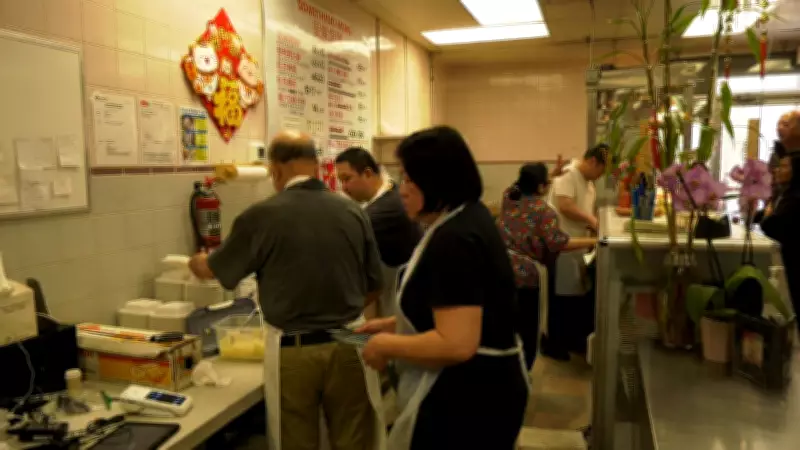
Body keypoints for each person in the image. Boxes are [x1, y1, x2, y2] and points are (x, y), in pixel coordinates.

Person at [188, 131, 386, 450]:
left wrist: (195, 261)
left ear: (277, 169)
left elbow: (213, 270)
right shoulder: (353, 211)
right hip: (351, 340)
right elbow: (375, 286)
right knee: (355, 440)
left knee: (295, 442)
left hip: (293, 347)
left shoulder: (261, 216)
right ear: (316, 165)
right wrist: (337, 313)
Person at [356, 126, 528, 450]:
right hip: (483, 389)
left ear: (437, 180)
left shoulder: (456, 239)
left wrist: (385, 345)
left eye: (409, 179)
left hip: (471, 401)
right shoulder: (464, 218)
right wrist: (395, 324)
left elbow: (457, 343)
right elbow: (463, 307)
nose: (402, 190)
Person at [498, 162, 597, 370]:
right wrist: (595, 241)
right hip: (527, 276)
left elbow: (523, 184)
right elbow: (558, 243)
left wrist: (551, 175)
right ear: (541, 187)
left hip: (501, 269)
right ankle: (523, 370)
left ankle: (504, 367)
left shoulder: (509, 197)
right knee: (528, 328)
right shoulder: (544, 211)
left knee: (505, 325)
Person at [336, 147, 422, 317]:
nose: (343, 187)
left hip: (401, 306)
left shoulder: (387, 209)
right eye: (341, 181)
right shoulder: (387, 194)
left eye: (347, 179)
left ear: (368, 174)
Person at [545, 145, 607, 359]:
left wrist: (591, 225)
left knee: (574, 296)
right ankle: (554, 344)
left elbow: (583, 208)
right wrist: (591, 220)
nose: (600, 177)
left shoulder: (588, 183)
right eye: (601, 171)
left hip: (577, 243)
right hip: (562, 243)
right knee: (561, 298)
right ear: (593, 162)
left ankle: (571, 340)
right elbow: (565, 206)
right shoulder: (568, 174)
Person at [760, 154, 800, 329]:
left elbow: (771, 225)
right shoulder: (784, 194)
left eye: (784, 167)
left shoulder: (795, 198)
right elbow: (764, 216)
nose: (777, 170)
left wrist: (766, 215)